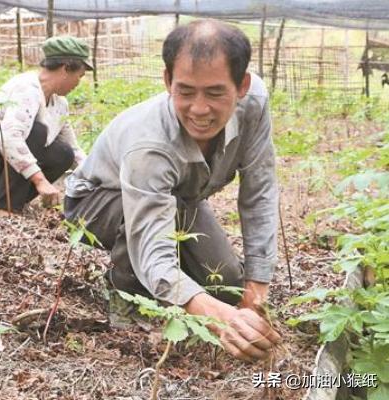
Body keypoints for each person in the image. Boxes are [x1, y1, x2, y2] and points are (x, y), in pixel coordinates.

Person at [64, 20, 281, 361]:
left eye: (215, 92)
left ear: (242, 86)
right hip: (98, 202)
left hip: (180, 199)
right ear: (167, 81)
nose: (199, 109)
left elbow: (260, 190)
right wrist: (220, 319)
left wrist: (256, 287)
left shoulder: (254, 104)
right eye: (186, 91)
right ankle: (126, 295)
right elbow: (152, 247)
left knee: (225, 282)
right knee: (161, 272)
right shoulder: (148, 143)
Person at [0, 36, 91, 216]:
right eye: (79, 76)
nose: (78, 83)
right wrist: (40, 180)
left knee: (63, 154)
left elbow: (74, 149)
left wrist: (96, 176)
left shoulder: (60, 104)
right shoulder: (27, 88)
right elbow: (9, 138)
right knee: (37, 132)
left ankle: (12, 201)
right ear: (65, 69)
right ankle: (3, 209)